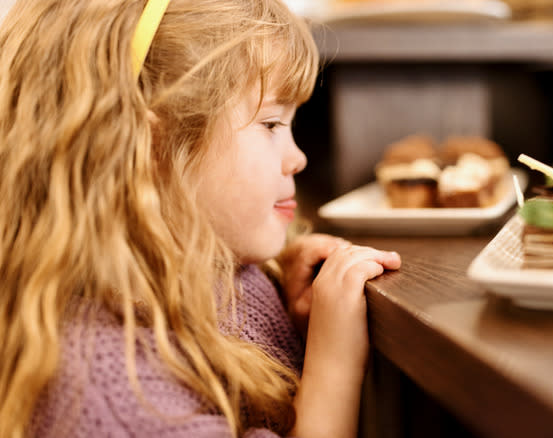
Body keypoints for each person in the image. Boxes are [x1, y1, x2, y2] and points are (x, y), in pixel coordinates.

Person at [0, 1, 401, 437]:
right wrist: (333, 365)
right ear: (149, 148)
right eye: (270, 124)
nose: (298, 158)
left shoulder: (226, 276)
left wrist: (285, 305)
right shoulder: (105, 386)